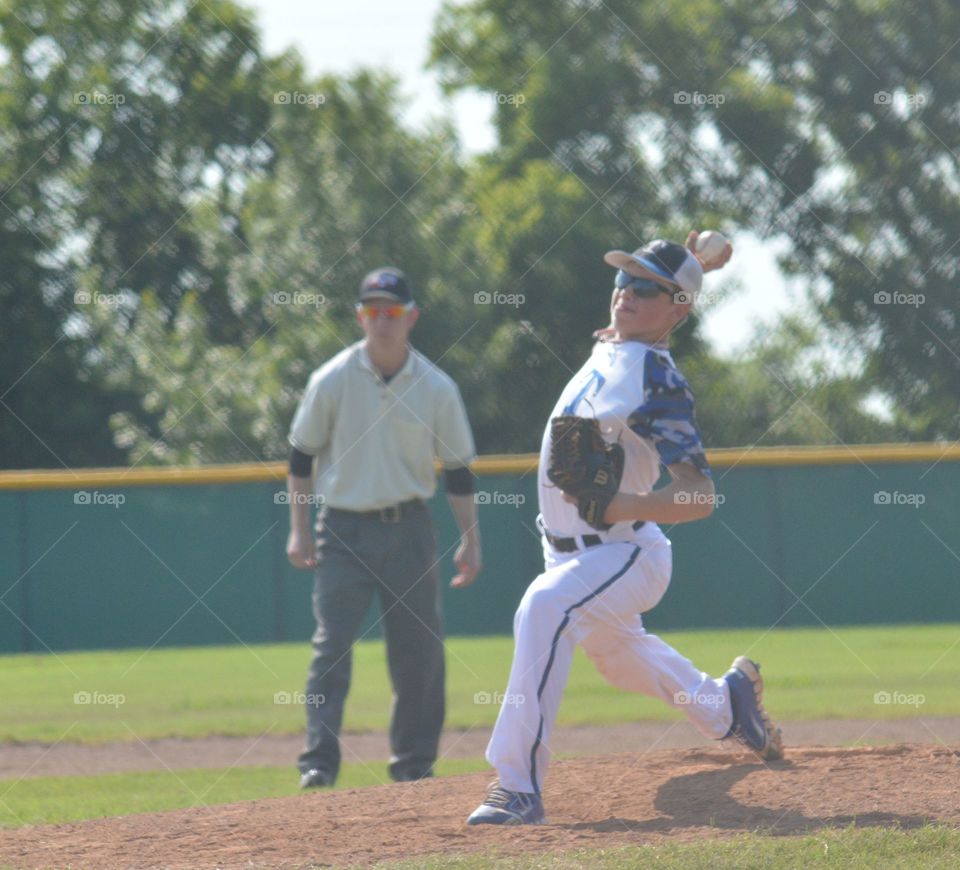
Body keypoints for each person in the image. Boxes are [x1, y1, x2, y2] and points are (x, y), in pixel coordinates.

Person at [467, 233, 783, 826]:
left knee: (544, 608)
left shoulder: (660, 382)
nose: (624, 296)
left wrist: (618, 502)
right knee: (617, 658)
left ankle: (517, 785)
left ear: (676, 308)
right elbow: (658, 297)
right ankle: (728, 704)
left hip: (627, 552)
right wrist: (701, 262)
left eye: (643, 288)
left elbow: (699, 496)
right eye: (621, 282)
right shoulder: (616, 342)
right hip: (565, 552)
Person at [286, 266, 481, 788]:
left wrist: (470, 539)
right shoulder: (331, 379)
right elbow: (301, 456)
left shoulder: (437, 386)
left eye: (391, 310)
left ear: (411, 316)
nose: (382, 319)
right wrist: (298, 529)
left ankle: (414, 768)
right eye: (372, 309)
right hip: (342, 529)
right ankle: (318, 765)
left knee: (418, 651)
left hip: (410, 528)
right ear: (359, 316)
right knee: (332, 647)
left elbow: (458, 468)